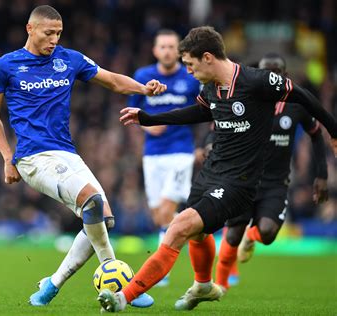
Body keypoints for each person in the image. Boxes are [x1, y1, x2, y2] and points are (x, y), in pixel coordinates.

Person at [97, 26, 337, 313]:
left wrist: (333, 132)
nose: (187, 71)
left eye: (190, 64)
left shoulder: (257, 81)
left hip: (239, 182)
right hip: (210, 173)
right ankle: (203, 285)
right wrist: (149, 119)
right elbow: (199, 112)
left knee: (178, 227)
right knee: (198, 234)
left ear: (207, 57)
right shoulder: (210, 86)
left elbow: (304, 96)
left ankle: (123, 297)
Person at [0, 5, 166, 308]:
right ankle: (123, 287)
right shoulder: (6, 66)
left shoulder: (69, 59)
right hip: (32, 157)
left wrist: (143, 90)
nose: (54, 39)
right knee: (91, 201)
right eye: (48, 33)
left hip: (67, 153)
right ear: (30, 29)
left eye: (58, 33)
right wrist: (7, 156)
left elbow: (113, 81)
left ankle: (51, 285)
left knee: (103, 218)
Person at [215, 53, 329, 290]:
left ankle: (252, 237)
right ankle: (221, 284)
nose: (270, 77)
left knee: (267, 233)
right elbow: (221, 124)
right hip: (244, 179)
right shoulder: (245, 99)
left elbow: (317, 134)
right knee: (232, 235)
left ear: (284, 76)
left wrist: (322, 174)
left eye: (276, 72)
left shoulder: (297, 106)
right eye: (266, 72)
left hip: (276, 183)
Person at [127, 29, 201, 287]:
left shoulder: (190, 79)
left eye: (172, 47)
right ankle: (188, 233)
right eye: (163, 47)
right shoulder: (143, 77)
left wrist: (202, 146)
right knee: (160, 216)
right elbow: (132, 111)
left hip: (181, 152)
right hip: (153, 155)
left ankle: (161, 270)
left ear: (178, 51)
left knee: (168, 209)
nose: (168, 51)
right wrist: (148, 126)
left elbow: (206, 111)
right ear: (155, 50)